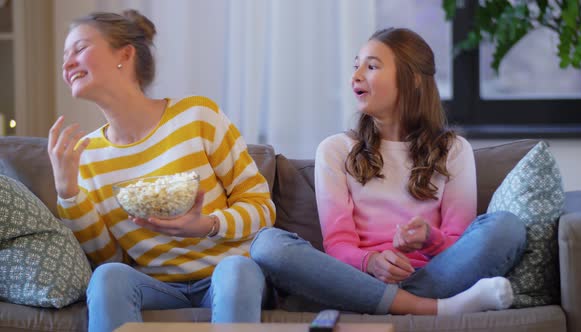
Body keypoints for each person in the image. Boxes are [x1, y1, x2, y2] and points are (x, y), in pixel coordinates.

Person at [250, 27, 527, 315]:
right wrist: (371, 261)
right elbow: (338, 244)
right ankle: (433, 309)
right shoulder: (335, 150)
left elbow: (460, 243)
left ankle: (402, 303)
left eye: (371, 67)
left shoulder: (453, 150)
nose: (355, 76)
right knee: (268, 245)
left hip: (434, 277)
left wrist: (429, 239)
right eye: (356, 66)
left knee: (507, 227)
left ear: (413, 80)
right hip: (359, 280)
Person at [48, 10, 275, 332]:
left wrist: (207, 225)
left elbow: (263, 209)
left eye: (79, 48)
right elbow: (110, 258)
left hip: (227, 274)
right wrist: (68, 192)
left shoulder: (197, 116)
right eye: (65, 55)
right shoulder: (87, 154)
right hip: (156, 287)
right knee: (107, 277)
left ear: (125, 54)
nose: (67, 63)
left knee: (236, 269)